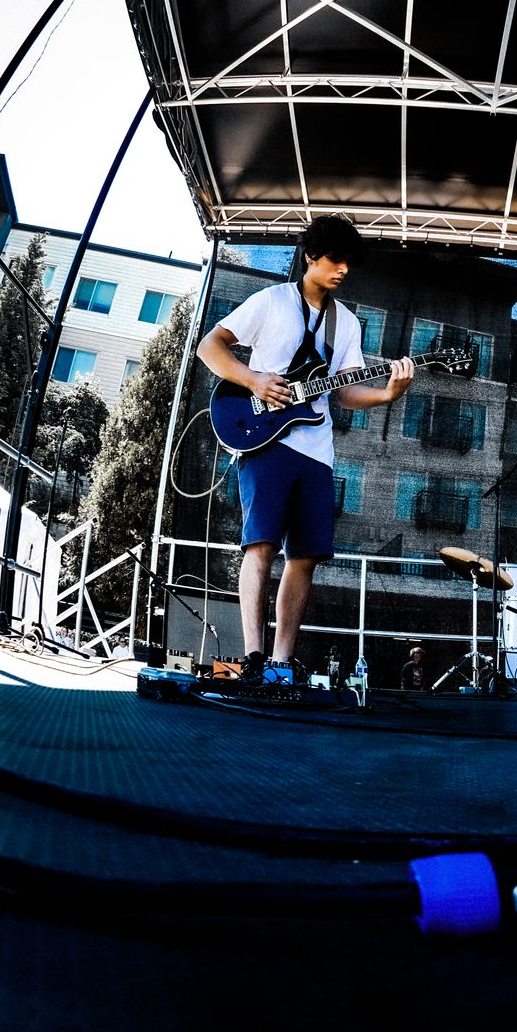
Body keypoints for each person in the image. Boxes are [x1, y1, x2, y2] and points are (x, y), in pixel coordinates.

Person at [197, 215, 415, 684]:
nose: (343, 269)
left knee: (305, 557)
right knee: (261, 545)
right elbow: (209, 347)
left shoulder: (346, 323)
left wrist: (387, 394)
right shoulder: (271, 301)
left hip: (317, 452)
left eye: (348, 262)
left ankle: (280, 664)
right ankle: (253, 657)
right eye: (335, 259)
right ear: (311, 256)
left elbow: (346, 392)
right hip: (265, 440)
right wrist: (253, 379)